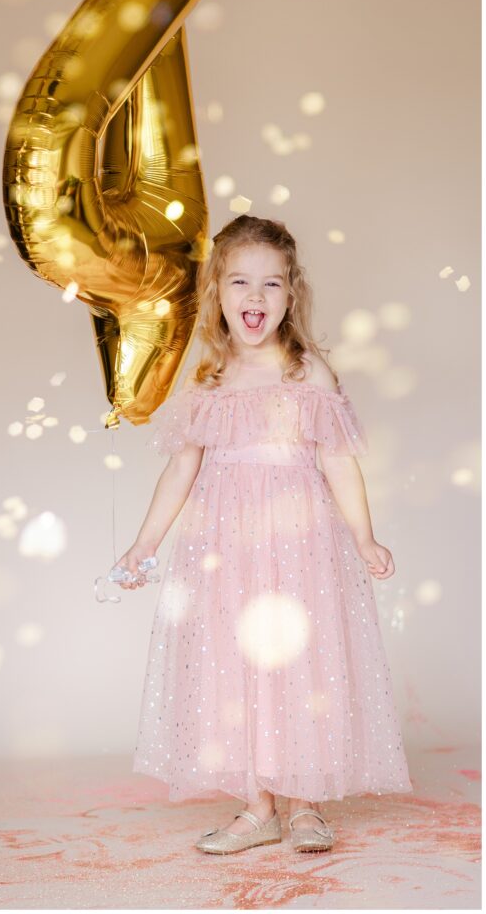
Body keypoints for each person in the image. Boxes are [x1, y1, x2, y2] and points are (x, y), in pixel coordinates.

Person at [117, 214, 413, 855]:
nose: (256, 298)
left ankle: (304, 803)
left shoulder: (308, 376)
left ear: (292, 293)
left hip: (302, 549)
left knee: (300, 665)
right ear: (217, 292)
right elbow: (181, 468)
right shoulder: (208, 381)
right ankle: (257, 807)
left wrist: (365, 539)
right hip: (226, 554)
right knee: (238, 667)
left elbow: (339, 461)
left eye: (271, 285)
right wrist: (145, 544)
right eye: (241, 282)